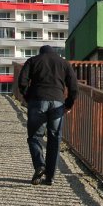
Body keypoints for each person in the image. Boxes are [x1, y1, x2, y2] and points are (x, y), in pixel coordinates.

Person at [17, 45, 79, 185]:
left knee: (35, 137)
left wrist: (28, 97)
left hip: (37, 101)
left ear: (41, 52)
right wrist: (68, 104)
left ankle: (40, 165)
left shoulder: (33, 61)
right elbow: (74, 87)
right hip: (57, 103)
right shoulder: (64, 63)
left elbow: (22, 82)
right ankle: (50, 177)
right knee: (54, 139)